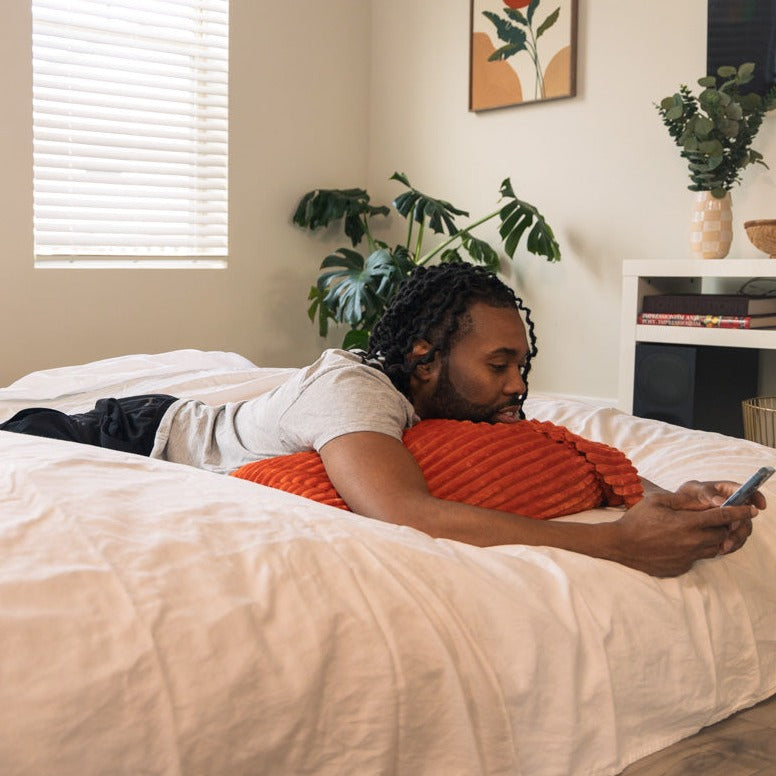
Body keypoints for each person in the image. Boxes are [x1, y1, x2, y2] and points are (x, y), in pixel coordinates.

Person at [0, 263, 762, 577]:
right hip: (145, 435)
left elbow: (551, 451)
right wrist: (620, 547)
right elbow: (403, 511)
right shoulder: (357, 391)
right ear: (425, 356)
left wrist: (663, 493)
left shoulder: (448, 399)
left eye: (522, 365)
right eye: (499, 366)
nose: (517, 386)